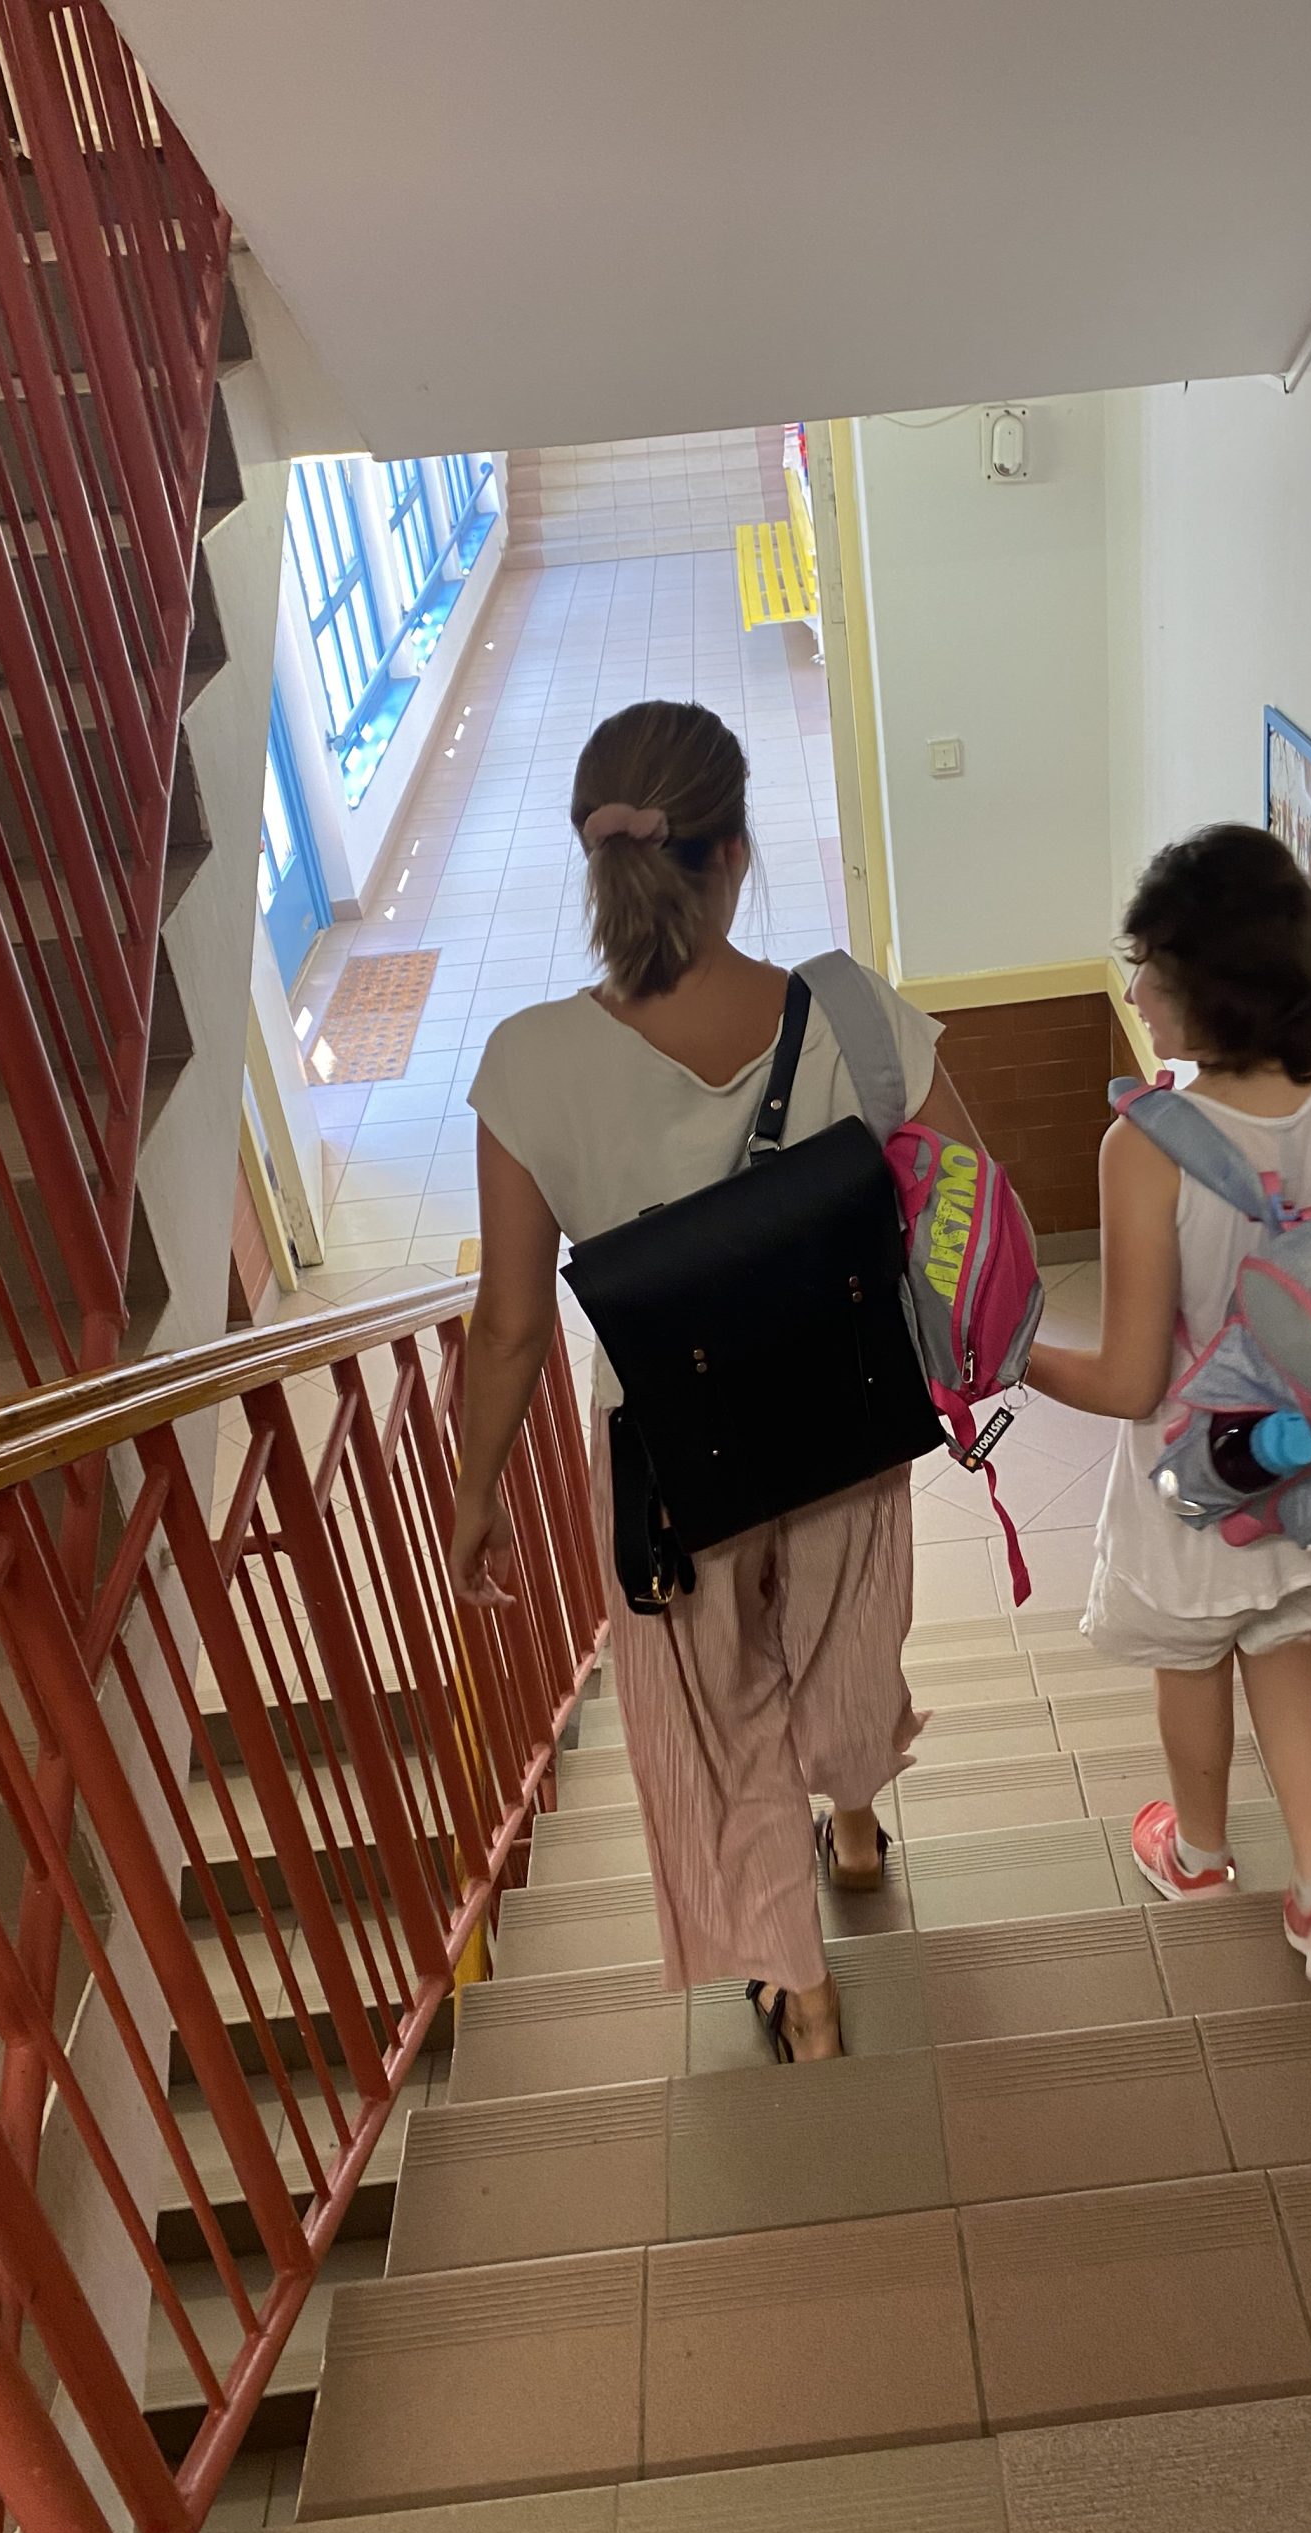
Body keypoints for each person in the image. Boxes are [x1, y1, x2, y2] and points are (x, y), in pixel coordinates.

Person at [448, 699, 983, 2061]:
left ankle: (803, 1993)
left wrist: (477, 1493)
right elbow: (969, 1195)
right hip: (846, 1419)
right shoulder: (852, 1012)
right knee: (844, 1651)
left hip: (671, 1463)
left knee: (717, 1713)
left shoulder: (528, 1063)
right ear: (736, 850)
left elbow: (509, 1328)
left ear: (595, 858)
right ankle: (852, 1823)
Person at [1024, 824, 1311, 1986]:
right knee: (1288, 1634)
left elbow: (1130, 1381)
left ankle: (1200, 1854)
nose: (1134, 993)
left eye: (1148, 967)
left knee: (1193, 1653)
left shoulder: (1149, 1147)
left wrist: (1016, 1358)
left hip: (1203, 1473)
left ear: (1206, 980)